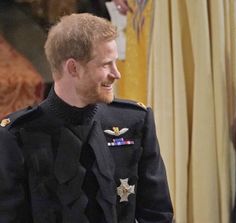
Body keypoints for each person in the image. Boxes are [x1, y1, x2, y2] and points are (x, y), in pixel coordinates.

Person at [0, 13, 173, 222]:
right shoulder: (17, 136)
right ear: (73, 68)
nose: (116, 74)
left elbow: (157, 215)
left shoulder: (135, 121)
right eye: (105, 64)